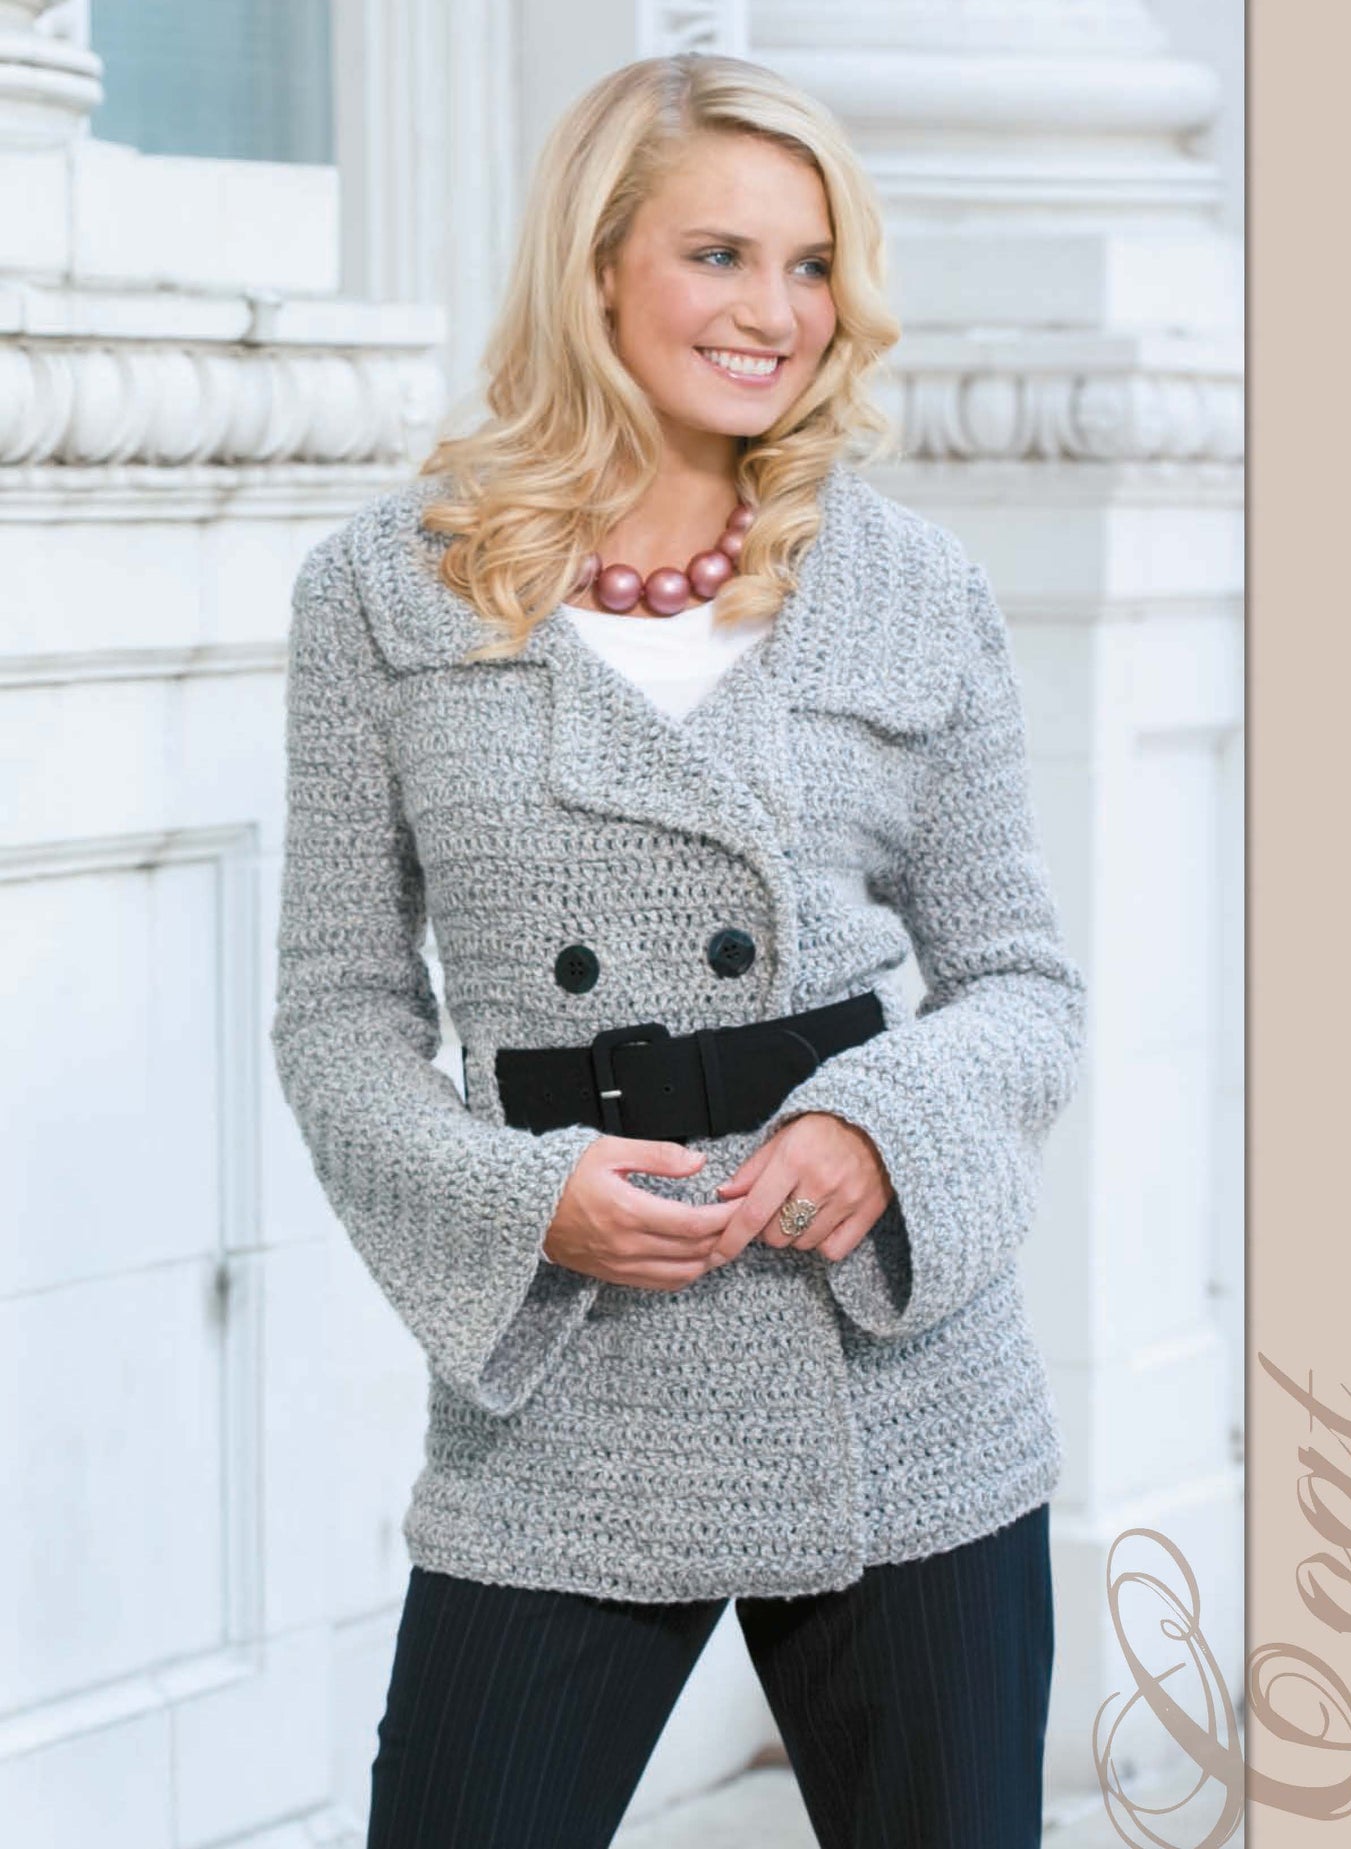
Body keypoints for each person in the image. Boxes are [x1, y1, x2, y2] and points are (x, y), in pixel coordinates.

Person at [271, 51, 1086, 1849]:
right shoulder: (384, 594)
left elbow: (1023, 978)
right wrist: (520, 1202)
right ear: (598, 267)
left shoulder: (907, 583)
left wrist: (879, 1125)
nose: (773, 313)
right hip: (569, 1368)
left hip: (891, 1365)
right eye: (720, 255)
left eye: (810, 267)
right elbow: (336, 1010)